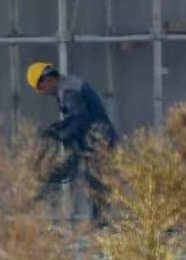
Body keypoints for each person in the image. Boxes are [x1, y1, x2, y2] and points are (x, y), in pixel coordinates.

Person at [26, 61, 118, 222]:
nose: (43, 93)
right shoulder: (70, 85)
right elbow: (76, 118)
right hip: (99, 140)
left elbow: (80, 119)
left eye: (40, 88)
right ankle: (101, 222)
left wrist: (61, 135)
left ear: (46, 79)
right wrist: (57, 128)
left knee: (96, 184)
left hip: (99, 142)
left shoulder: (69, 91)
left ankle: (102, 224)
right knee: (96, 183)